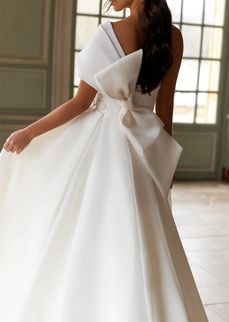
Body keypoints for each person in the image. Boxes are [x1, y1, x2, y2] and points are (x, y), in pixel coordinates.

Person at [0, 0, 209, 321]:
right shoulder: (174, 37)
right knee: (142, 237)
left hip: (101, 145)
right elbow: (164, 108)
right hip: (144, 147)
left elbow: (81, 103)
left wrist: (30, 132)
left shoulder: (109, 33)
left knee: (87, 231)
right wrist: (165, 164)